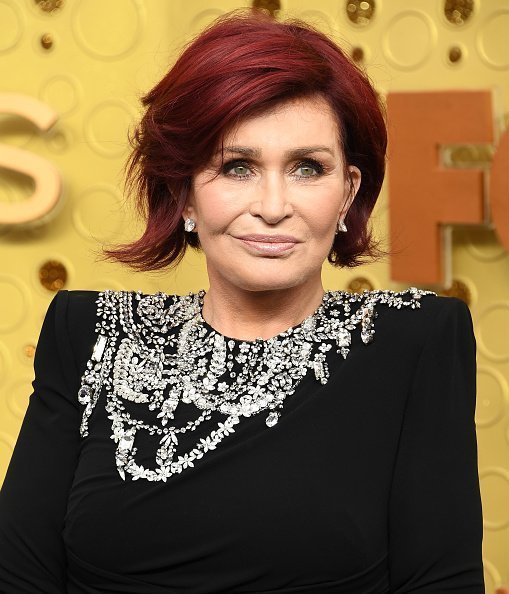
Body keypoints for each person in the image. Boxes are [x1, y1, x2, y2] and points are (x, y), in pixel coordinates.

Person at [0, 10, 484, 594]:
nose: (274, 205)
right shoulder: (87, 331)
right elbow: (19, 573)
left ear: (348, 191)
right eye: (237, 167)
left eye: (308, 168)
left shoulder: (416, 340)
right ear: (182, 194)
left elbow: (441, 582)